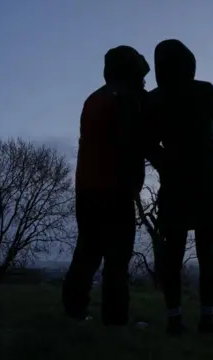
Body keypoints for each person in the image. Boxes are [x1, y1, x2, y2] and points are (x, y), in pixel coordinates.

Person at [145, 39, 213, 335]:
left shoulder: (154, 99)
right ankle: (207, 319)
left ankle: (174, 320)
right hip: (207, 181)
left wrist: (164, 163)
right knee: (206, 251)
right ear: (189, 64)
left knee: (173, 254)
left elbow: (146, 141)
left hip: (175, 183)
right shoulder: (202, 91)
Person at [62, 45, 153, 326]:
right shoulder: (126, 100)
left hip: (87, 189)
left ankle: (74, 311)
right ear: (130, 73)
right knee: (117, 257)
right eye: (140, 76)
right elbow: (131, 144)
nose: (144, 82)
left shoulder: (94, 99)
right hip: (115, 189)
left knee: (87, 251)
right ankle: (115, 320)